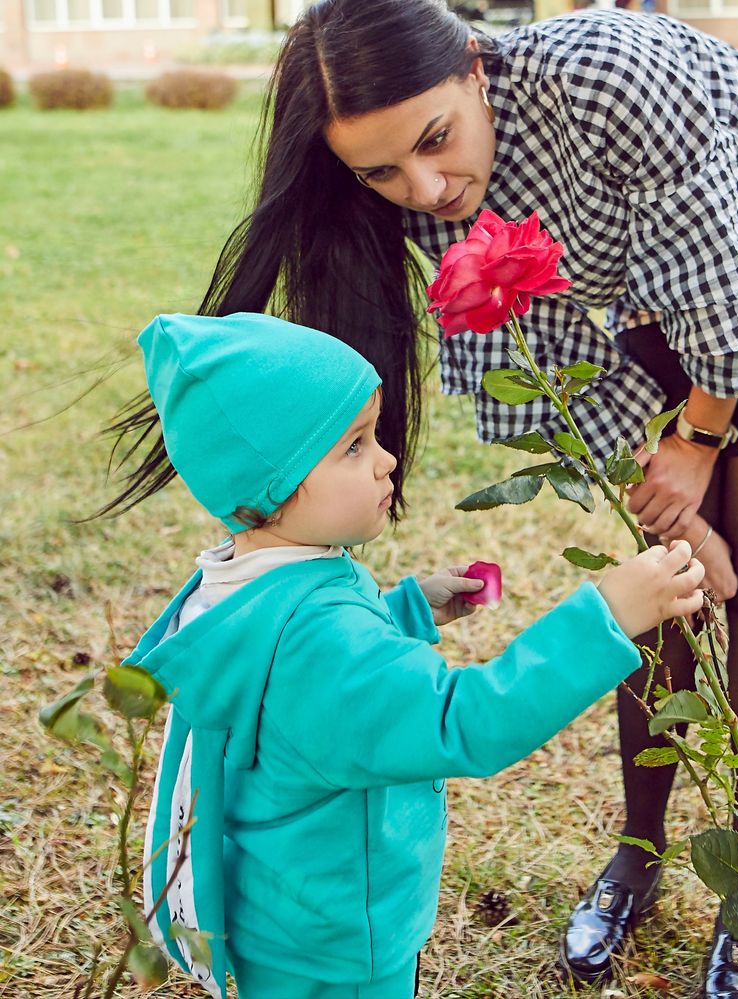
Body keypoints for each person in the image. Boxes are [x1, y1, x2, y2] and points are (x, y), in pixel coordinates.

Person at [103, 2, 738, 994]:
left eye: (435, 141)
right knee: (665, 580)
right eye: (380, 173)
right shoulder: (413, 188)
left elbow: (729, 281)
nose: (426, 189)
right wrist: (664, 495)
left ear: (472, 63)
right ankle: (637, 853)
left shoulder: (608, 73)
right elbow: (548, 347)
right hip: (640, 292)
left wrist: (700, 441)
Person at [129, 311, 704, 999]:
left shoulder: (240, 586)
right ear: (267, 492)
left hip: (281, 918)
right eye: (352, 446)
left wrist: (400, 609)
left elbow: (308, 695)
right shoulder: (320, 639)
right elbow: (464, 721)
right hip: (340, 944)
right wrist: (606, 617)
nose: (386, 459)